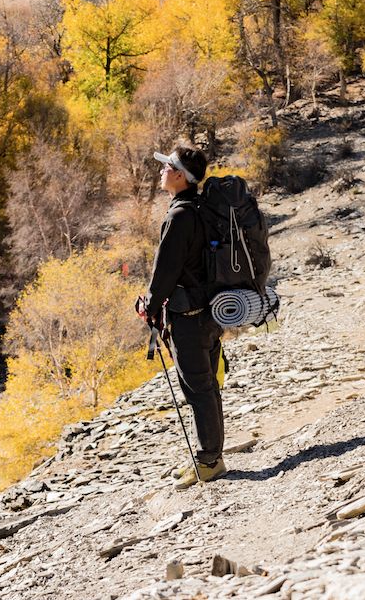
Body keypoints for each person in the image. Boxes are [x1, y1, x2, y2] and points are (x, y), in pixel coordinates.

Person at [145, 147, 226, 489]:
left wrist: (149, 306)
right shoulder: (201, 207)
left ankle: (209, 461)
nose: (161, 170)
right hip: (210, 311)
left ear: (179, 175)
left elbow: (166, 270)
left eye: (166, 166)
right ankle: (209, 454)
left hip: (189, 318)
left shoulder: (179, 216)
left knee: (198, 390)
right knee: (207, 385)